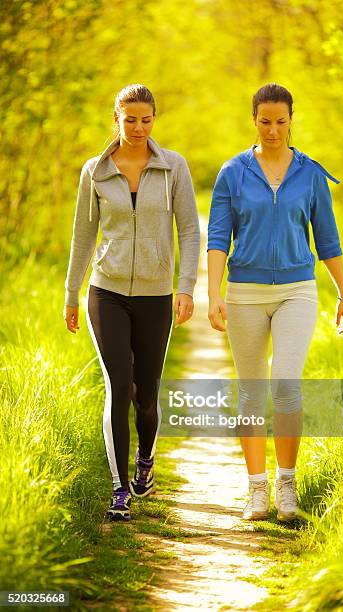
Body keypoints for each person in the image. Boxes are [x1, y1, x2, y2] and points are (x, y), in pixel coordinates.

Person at [207, 83, 343, 522]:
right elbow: (218, 238)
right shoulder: (232, 172)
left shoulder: (309, 174)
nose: (273, 130)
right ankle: (256, 489)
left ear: (292, 120)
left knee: (286, 383)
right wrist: (213, 293)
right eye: (265, 121)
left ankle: (286, 482)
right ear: (253, 119)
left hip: (297, 290)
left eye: (281, 121)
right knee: (251, 392)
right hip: (245, 293)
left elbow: (326, 239)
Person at [64, 84, 200, 521]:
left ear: (154, 119)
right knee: (118, 385)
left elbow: (190, 231)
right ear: (116, 119)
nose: (138, 127)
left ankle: (145, 461)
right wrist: (72, 292)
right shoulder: (96, 171)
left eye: (146, 119)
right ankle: (119, 489)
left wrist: (185, 286)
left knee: (147, 391)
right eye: (130, 120)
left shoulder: (173, 167)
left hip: (156, 293)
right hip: (106, 290)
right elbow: (84, 237)